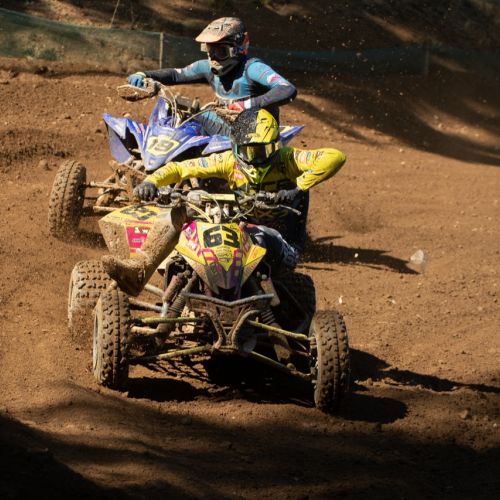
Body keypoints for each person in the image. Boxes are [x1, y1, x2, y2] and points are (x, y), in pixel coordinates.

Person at [102, 108, 346, 297]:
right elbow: (180, 168)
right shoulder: (229, 161)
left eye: (264, 151)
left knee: (255, 238)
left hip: (282, 243)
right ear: (237, 148)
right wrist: (151, 182)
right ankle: (140, 267)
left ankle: (258, 303)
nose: (257, 159)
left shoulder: (287, 159)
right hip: (237, 232)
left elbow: (335, 156)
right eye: (250, 152)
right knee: (184, 219)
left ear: (275, 146)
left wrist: (297, 187)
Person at [127, 17, 297, 136]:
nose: (213, 57)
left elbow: (287, 89)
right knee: (175, 110)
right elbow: (175, 74)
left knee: (193, 117)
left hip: (256, 133)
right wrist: (145, 74)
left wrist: (248, 105)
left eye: (220, 51)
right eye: (209, 50)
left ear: (238, 48)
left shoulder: (252, 68)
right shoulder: (206, 67)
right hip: (226, 127)